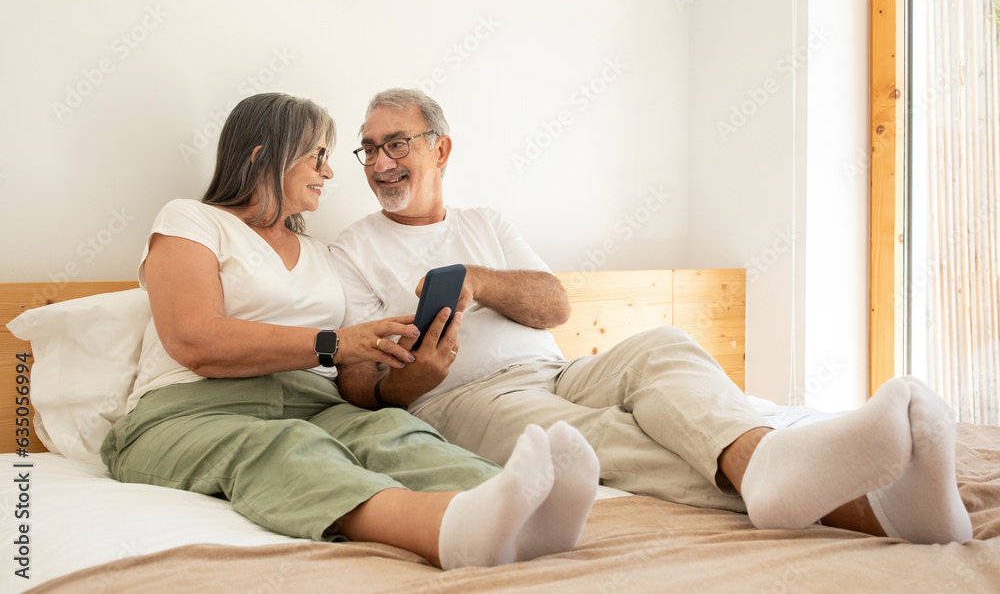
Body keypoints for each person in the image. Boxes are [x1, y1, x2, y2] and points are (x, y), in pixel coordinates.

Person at [329, 87, 974, 545]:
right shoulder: (352, 250)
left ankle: (767, 460)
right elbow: (358, 390)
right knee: (604, 435)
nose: (381, 163)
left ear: (441, 149)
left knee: (664, 344)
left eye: (397, 144)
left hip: (555, 370)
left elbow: (556, 304)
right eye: (368, 150)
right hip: (461, 399)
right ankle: (872, 510)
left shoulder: (485, 224)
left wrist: (480, 281)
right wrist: (419, 374)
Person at [99, 92, 601, 571]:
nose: (331, 171)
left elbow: (357, 372)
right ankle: (444, 530)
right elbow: (195, 341)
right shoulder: (193, 220)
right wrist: (335, 345)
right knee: (287, 448)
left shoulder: (323, 254)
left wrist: (386, 349)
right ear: (262, 157)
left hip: (311, 404)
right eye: (317, 156)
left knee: (394, 432)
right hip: (189, 410)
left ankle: (524, 506)